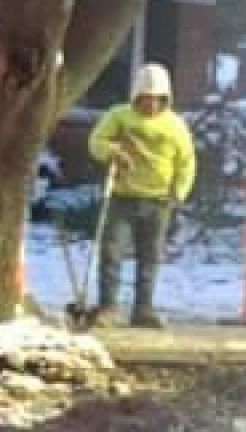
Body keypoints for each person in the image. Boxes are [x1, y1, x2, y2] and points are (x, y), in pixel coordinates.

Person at [86, 62, 197, 328]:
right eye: (146, 99)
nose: (152, 105)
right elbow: (96, 141)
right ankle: (108, 306)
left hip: (159, 200)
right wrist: (112, 151)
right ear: (137, 96)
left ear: (165, 99)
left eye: (158, 100)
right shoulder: (119, 116)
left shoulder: (175, 126)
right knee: (112, 252)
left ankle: (143, 309)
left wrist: (179, 191)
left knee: (150, 256)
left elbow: (187, 161)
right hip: (123, 197)